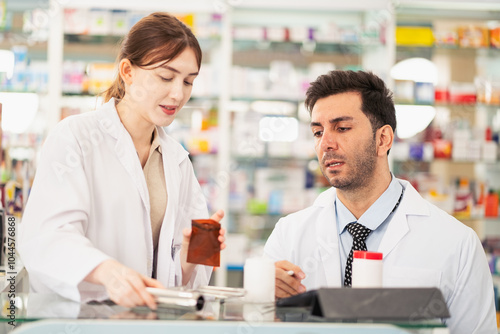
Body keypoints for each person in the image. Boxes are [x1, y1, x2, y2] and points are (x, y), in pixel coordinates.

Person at [18, 12, 225, 310]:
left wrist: (195, 254)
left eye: (188, 81)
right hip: (79, 320)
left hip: (149, 322)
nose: (178, 94)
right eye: (165, 77)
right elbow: (45, 237)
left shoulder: (178, 160)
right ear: (127, 72)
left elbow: (186, 280)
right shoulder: (75, 137)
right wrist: (108, 272)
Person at [264, 70, 496, 333]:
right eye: (318, 132)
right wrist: (263, 301)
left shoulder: (457, 243)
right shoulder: (289, 234)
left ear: (383, 139)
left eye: (342, 128)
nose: (326, 143)